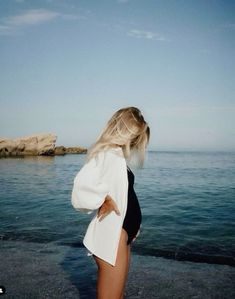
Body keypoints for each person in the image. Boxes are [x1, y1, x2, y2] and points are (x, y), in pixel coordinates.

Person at [71, 106, 150, 299]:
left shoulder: (116, 156)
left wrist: (133, 224)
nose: (136, 141)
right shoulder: (107, 153)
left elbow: (125, 193)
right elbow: (80, 189)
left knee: (117, 295)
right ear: (124, 130)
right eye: (135, 135)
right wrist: (103, 199)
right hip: (113, 236)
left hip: (121, 235)